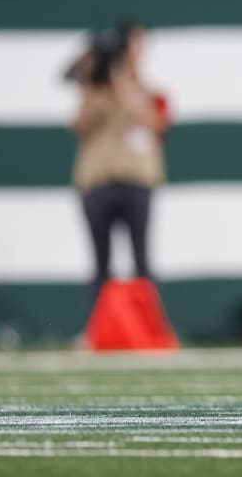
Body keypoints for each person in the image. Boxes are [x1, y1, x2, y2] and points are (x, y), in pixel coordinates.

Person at [69, 21, 169, 308]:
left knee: (142, 260)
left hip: (137, 181)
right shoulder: (95, 92)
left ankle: (148, 325)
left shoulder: (150, 92)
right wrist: (88, 82)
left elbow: (155, 124)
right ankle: (100, 329)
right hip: (97, 180)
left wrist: (123, 83)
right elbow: (80, 126)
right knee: (101, 261)